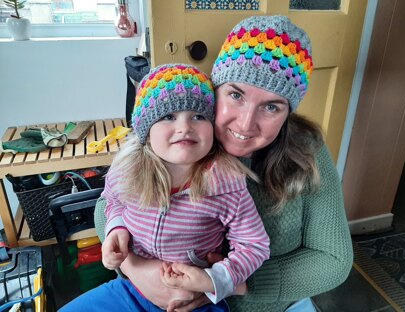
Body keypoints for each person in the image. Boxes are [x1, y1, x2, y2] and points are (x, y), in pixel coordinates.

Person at [97, 15, 354, 312]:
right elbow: (108, 205)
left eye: (271, 106)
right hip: (154, 297)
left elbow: (333, 260)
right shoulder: (179, 136)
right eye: (235, 95)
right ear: (214, 88)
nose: (245, 124)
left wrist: (226, 285)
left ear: (288, 113)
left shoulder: (307, 151)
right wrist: (136, 268)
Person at [60, 64, 270, 312]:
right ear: (146, 132)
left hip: (194, 302)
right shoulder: (127, 170)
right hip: (130, 290)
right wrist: (116, 227)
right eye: (168, 116)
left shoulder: (228, 185)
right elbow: (112, 200)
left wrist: (213, 280)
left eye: (199, 116)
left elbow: (254, 245)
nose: (184, 127)